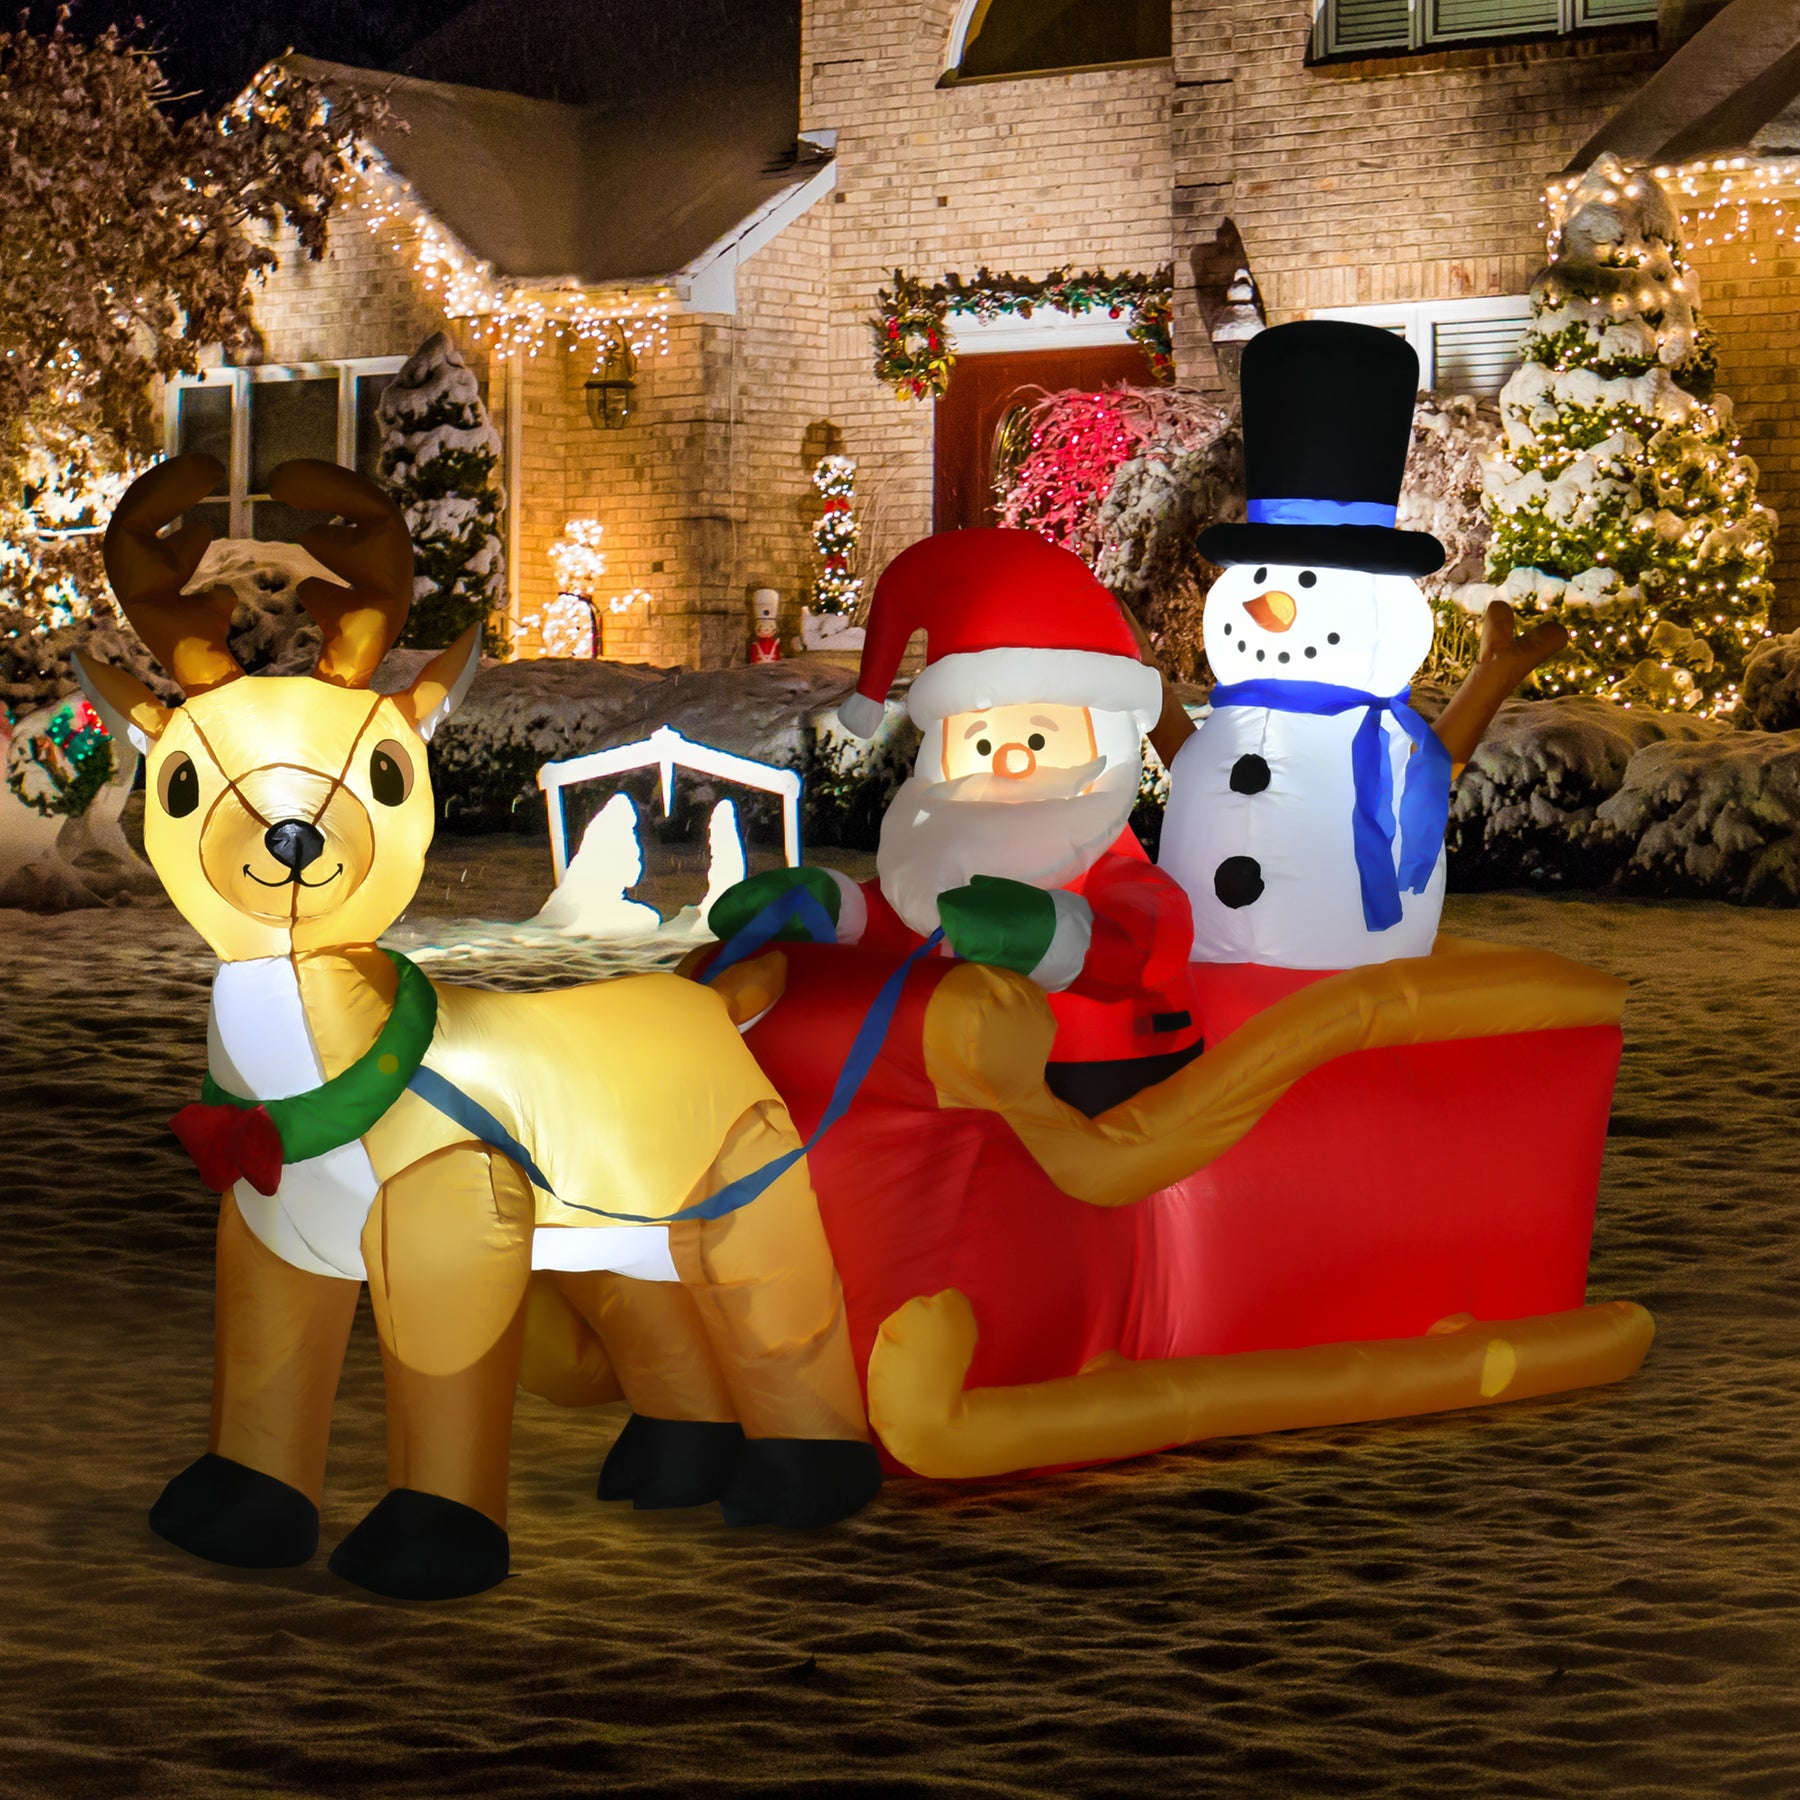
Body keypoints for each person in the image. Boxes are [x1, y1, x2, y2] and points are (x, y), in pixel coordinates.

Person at [710, 530, 1202, 1117]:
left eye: (1039, 739)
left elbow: (1155, 935)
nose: (1009, 762)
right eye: (981, 742)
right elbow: (904, 920)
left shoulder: (1105, 864)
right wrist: (838, 909)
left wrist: (1057, 937)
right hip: (944, 1076)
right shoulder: (941, 852)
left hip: (1094, 1072)